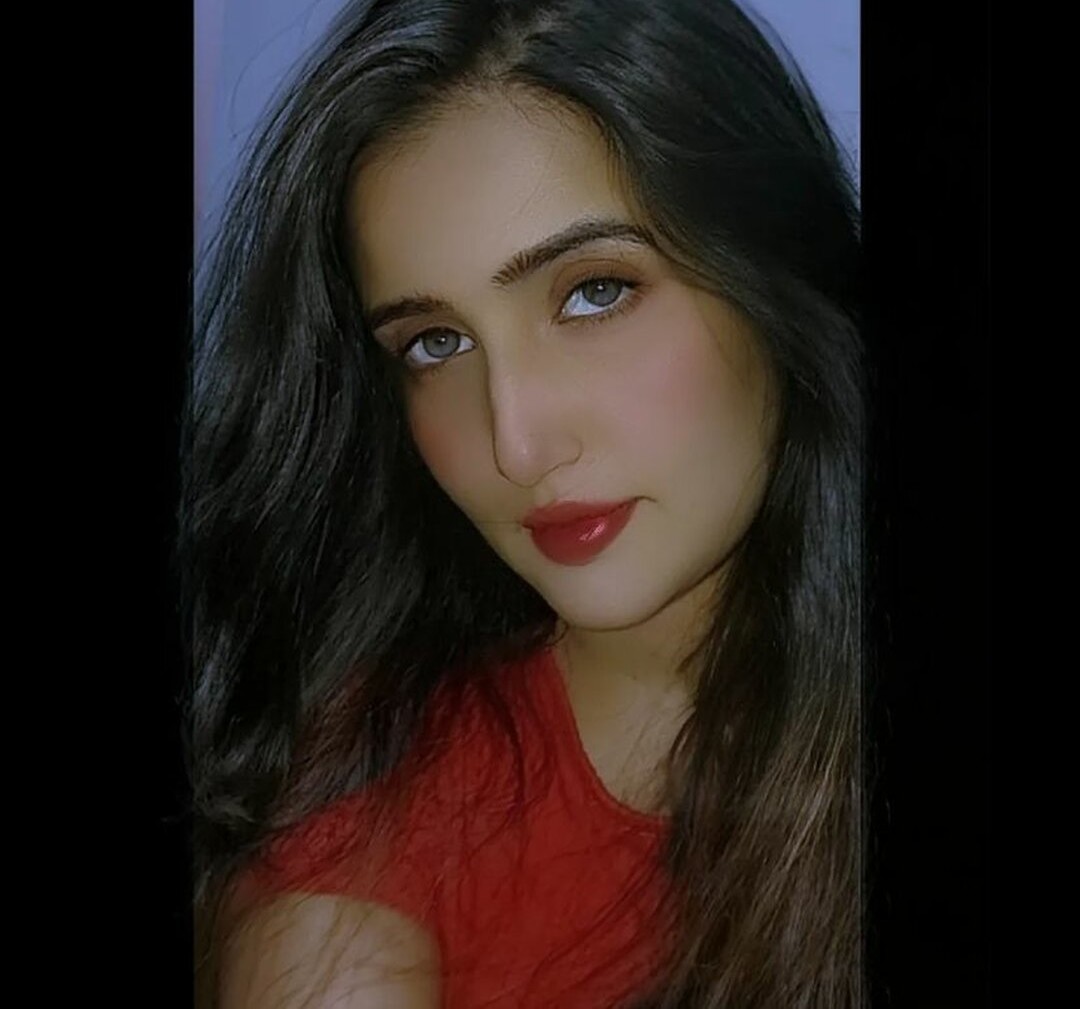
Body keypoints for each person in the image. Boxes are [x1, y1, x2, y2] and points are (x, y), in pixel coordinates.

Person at [187, 0, 864, 1005]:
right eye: (436, 343)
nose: (516, 443)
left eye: (593, 291)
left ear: (776, 275)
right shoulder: (372, 829)